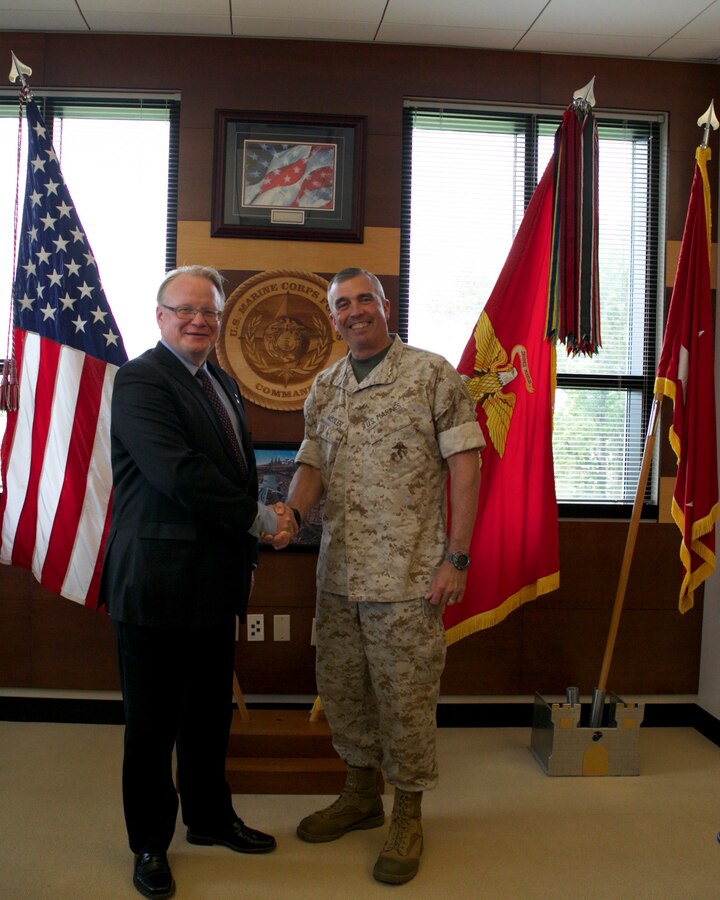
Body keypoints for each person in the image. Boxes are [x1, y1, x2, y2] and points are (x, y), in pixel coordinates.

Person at [281, 267, 484, 885]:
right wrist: (289, 513)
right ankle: (361, 796)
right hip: (339, 576)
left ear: (385, 305)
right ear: (334, 317)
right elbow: (312, 463)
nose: (354, 310)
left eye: (364, 298)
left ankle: (408, 812)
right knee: (344, 693)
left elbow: (467, 469)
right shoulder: (325, 387)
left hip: (409, 579)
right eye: (342, 304)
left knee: (406, 699)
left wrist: (456, 558)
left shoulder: (430, 375)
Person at [99, 265, 297, 899]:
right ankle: (150, 843)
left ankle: (210, 819)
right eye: (184, 310)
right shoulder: (139, 380)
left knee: (210, 716)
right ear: (159, 316)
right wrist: (264, 518)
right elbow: (177, 472)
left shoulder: (221, 382)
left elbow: (235, 471)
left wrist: (268, 515)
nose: (198, 321)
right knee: (153, 725)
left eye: (209, 312)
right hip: (155, 583)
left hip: (215, 582)